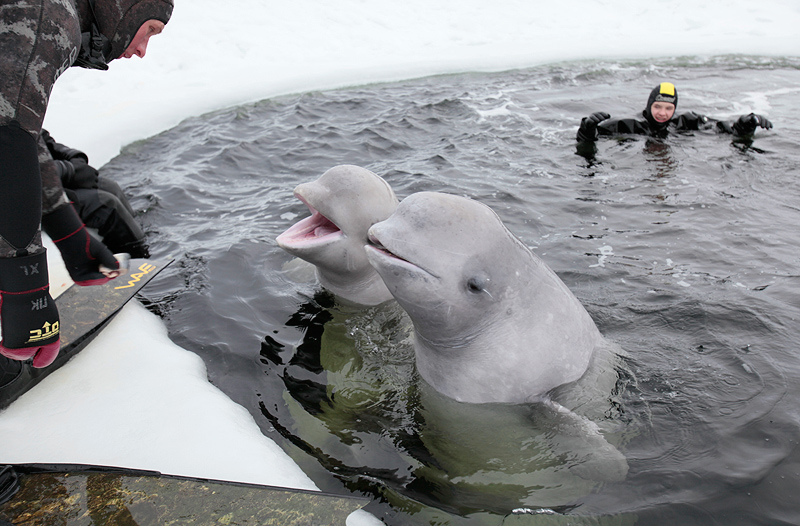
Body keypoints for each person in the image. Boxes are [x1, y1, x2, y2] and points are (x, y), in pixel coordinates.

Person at [1, 0, 173, 368]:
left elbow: (21, 135)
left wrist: (70, 236)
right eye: (150, 30)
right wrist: (26, 292)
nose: (143, 50)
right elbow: (7, 144)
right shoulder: (48, 16)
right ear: (125, 10)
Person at [42, 130, 151, 259]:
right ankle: (135, 258)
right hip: (24, 201)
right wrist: (68, 170)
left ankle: (141, 242)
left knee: (110, 187)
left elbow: (43, 141)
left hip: (45, 179)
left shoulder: (21, 117)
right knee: (105, 204)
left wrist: (74, 158)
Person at [576, 82, 773, 143]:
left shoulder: (686, 122)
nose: (662, 113)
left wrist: (747, 123)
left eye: (669, 108)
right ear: (649, 106)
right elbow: (590, 140)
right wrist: (587, 129)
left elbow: (726, 130)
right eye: (657, 107)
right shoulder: (629, 125)